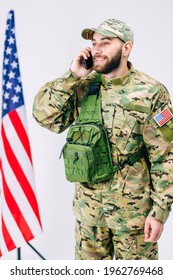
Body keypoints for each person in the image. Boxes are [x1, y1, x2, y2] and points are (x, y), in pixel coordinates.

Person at [32, 18, 173, 260]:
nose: (96, 49)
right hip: (89, 214)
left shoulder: (150, 92)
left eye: (105, 43)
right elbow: (44, 117)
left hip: (133, 217)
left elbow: (165, 155)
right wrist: (72, 75)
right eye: (94, 43)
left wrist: (160, 211)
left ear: (126, 48)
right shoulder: (83, 86)